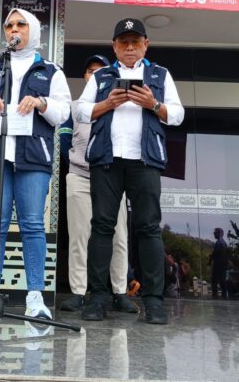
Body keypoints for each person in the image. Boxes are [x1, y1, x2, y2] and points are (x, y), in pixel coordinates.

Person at [77, 18, 184, 324]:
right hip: (106, 160)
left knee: (148, 228)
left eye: (135, 42)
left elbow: (177, 115)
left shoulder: (160, 74)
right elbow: (80, 110)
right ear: (114, 46)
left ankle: (154, 302)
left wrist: (153, 104)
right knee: (102, 227)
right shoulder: (101, 76)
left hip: (145, 160)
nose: (129, 47)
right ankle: (98, 298)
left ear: (145, 45)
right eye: (123, 42)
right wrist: (106, 104)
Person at [0, 7, 71, 319]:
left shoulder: (50, 71)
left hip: (33, 155)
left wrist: (41, 102)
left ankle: (35, 297)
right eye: (9, 25)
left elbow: (63, 112)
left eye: (21, 25)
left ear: (34, 31)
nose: (14, 30)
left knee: (32, 225)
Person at [59, 54, 137, 313]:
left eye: (100, 70)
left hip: (113, 177)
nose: (95, 74)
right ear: (85, 77)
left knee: (119, 236)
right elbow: (64, 140)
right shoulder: (74, 107)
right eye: (90, 71)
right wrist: (78, 160)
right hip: (80, 176)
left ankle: (119, 292)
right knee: (79, 236)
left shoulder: (121, 104)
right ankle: (79, 292)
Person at [209, 227, 228, 298]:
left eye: (215, 232)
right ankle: (223, 294)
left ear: (219, 233)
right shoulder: (224, 243)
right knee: (222, 280)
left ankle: (215, 295)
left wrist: (211, 258)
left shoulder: (219, 243)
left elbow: (215, 253)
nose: (214, 234)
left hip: (218, 264)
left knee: (215, 280)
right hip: (223, 265)